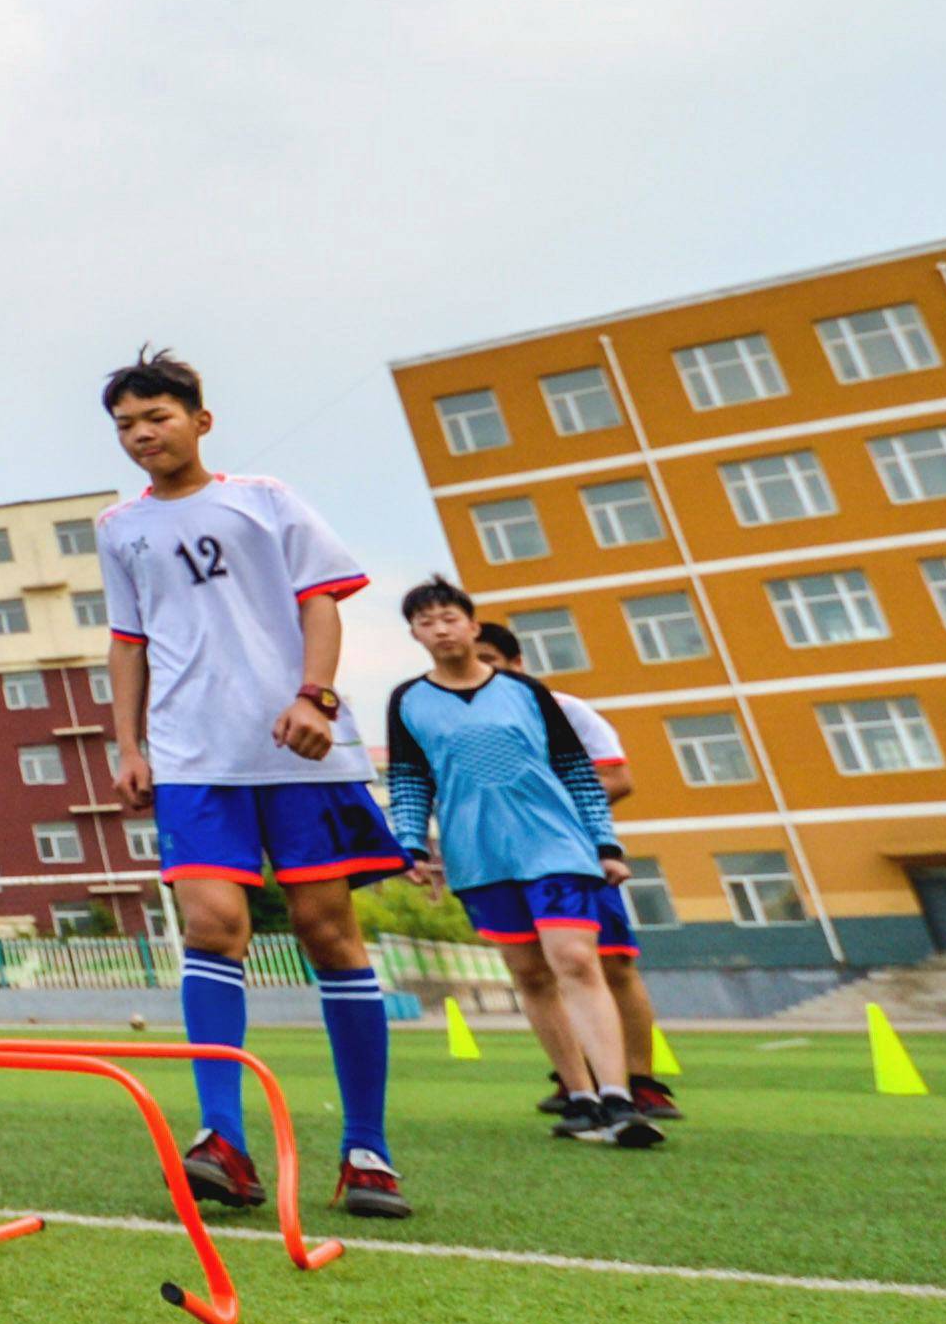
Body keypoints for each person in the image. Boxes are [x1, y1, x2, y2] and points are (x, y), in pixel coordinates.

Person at [97, 351, 410, 1220]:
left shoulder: (264, 499)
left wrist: (315, 694)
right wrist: (127, 744)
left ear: (200, 418)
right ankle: (223, 1140)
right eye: (125, 424)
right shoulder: (119, 526)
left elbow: (322, 599)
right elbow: (129, 642)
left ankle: (367, 1148)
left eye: (156, 415)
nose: (141, 434)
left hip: (299, 749)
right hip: (195, 756)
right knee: (212, 922)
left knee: (327, 930)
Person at [390, 582, 664, 1147]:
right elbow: (410, 779)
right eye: (425, 623)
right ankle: (580, 1096)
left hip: (556, 847)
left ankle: (619, 1097)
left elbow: (577, 771)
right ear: (415, 635)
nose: (440, 629)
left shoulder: (528, 693)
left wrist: (605, 845)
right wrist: (410, 844)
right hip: (479, 855)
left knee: (575, 958)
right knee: (531, 974)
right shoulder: (407, 702)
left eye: (448, 618)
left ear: (471, 625)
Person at [474, 621, 679, 1124]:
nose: (477, 671)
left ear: (517, 664)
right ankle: (577, 1083)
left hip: (575, 856)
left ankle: (642, 1082)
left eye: (489, 661)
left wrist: (547, 813)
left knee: (606, 964)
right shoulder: (463, 721)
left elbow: (617, 777)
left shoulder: (566, 711)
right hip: (504, 862)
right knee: (534, 970)